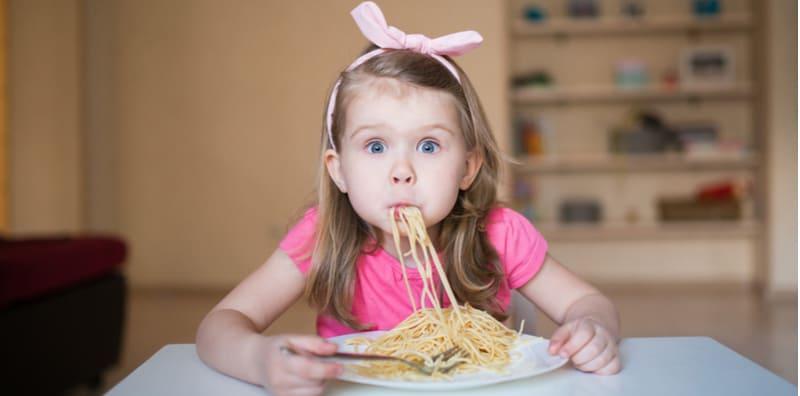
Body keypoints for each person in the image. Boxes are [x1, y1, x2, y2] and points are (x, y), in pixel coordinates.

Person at [196, 2, 620, 395]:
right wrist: (259, 358)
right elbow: (219, 327)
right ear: (338, 168)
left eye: (429, 146)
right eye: (376, 146)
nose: (402, 171)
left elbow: (588, 302)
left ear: (468, 167)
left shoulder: (499, 232)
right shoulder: (321, 235)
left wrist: (593, 328)